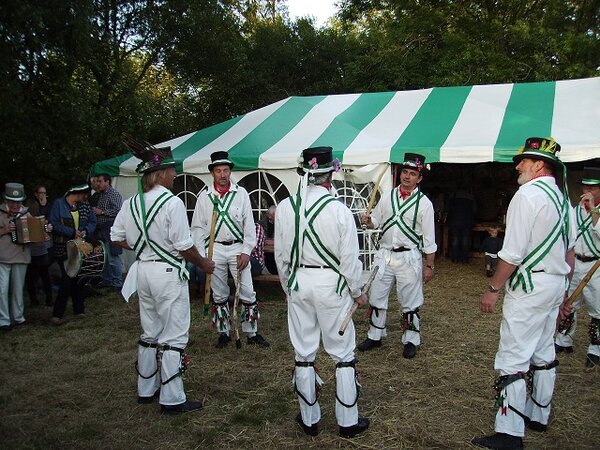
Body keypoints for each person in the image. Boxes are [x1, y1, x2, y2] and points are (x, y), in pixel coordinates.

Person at [472, 137, 576, 449]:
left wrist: (492, 289)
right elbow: (570, 250)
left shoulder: (527, 195)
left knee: (513, 355)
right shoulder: (562, 198)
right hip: (554, 282)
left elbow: (512, 254)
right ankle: (538, 415)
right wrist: (564, 292)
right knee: (544, 350)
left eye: (524, 160)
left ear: (539, 164)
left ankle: (509, 432)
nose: (518, 166)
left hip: (531, 287)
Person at [111, 138, 215, 414]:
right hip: (167, 274)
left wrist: (144, 246)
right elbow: (184, 246)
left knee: (150, 330)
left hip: (142, 271)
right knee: (174, 334)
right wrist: (203, 264)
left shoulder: (131, 203)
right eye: (172, 170)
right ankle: (172, 397)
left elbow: (116, 237)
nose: (176, 175)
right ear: (161, 173)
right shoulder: (172, 204)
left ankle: (146, 389)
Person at [274, 146, 369, 438]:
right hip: (332, 285)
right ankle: (348, 422)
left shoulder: (285, 207)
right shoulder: (340, 210)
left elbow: (280, 255)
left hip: (299, 281)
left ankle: (310, 420)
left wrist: (288, 286)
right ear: (330, 175)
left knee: (304, 352)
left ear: (305, 172)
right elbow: (350, 259)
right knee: (342, 353)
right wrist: (357, 291)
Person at [357, 153, 437, 359]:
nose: (407, 177)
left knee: (410, 301)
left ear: (419, 178)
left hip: (408, 258)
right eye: (405, 172)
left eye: (412, 174)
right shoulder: (388, 196)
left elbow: (429, 238)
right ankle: (375, 336)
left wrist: (429, 265)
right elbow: (376, 220)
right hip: (384, 256)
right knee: (377, 296)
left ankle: (411, 339)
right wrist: (368, 221)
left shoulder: (425, 203)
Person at [191, 151, 270, 349]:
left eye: (226, 170)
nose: (223, 174)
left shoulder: (241, 194)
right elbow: (197, 229)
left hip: (237, 248)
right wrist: (202, 257)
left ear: (230, 172)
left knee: (247, 292)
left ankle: (252, 333)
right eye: (218, 171)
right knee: (219, 294)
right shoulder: (204, 198)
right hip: (214, 249)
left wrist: (246, 252)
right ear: (212, 174)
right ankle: (223, 333)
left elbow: (249, 226)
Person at [555, 164, 600, 366]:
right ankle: (564, 340)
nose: (586, 192)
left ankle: (595, 349)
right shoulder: (575, 209)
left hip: (596, 268)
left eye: (592, 188)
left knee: (598, 309)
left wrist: (594, 213)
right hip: (576, 263)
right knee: (569, 302)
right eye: (584, 188)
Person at [48, 182, 97, 325]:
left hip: (80, 247)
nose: (86, 197)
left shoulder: (85, 205)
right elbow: (53, 223)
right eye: (84, 194)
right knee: (67, 279)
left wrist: (86, 231)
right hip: (63, 247)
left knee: (79, 278)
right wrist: (71, 232)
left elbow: (92, 221)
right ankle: (57, 314)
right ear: (77, 193)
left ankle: (79, 309)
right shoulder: (58, 204)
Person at [0, 183, 32, 330]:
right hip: (2, 257)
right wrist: (4, 230)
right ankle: (4, 320)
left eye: (18, 201)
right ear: (6, 200)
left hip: (21, 256)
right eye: (12, 201)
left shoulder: (26, 214)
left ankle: (18, 317)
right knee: (2, 289)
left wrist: (45, 229)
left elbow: (35, 233)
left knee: (18, 288)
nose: (15, 204)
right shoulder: (0, 213)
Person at [92, 174, 123, 290]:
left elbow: (119, 210)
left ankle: (117, 283)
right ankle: (107, 280)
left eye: (100, 181)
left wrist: (102, 212)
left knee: (113, 256)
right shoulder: (100, 195)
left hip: (111, 228)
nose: (98, 184)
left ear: (107, 182)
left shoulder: (113, 194)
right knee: (104, 256)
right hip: (101, 229)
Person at [25, 185, 54, 306]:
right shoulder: (30, 205)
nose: (43, 195)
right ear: (36, 193)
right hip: (31, 247)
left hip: (42, 246)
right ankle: (34, 299)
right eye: (41, 193)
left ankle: (48, 298)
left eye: (44, 192)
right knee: (32, 275)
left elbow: (48, 221)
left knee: (44, 272)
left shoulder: (47, 205)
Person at [447, 184, 475, 263]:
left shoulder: (452, 196)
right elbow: (474, 210)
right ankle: (465, 258)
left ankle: (455, 258)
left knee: (455, 239)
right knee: (465, 240)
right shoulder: (470, 197)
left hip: (454, 220)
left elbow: (448, 208)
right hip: (467, 221)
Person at [260, 205, 278, 275]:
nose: (270, 217)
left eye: (272, 215)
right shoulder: (261, 224)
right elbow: (261, 238)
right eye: (269, 214)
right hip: (266, 254)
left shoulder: (282, 224)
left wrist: (275, 242)